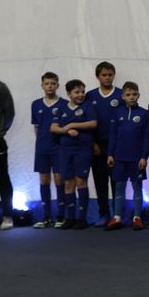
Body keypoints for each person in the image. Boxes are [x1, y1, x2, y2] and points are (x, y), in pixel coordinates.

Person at [48, 78, 94, 229]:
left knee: (81, 180)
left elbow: (93, 123)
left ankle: (82, 218)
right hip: (65, 150)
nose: (80, 95)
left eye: (82, 91)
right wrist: (66, 130)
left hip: (82, 149)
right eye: (76, 92)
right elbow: (53, 127)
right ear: (69, 93)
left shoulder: (88, 106)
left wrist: (73, 125)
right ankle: (70, 217)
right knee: (68, 182)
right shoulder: (61, 108)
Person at [105, 82, 149, 231]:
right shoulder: (117, 113)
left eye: (134, 94)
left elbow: (146, 138)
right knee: (119, 186)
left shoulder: (144, 114)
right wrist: (110, 154)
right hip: (119, 157)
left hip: (136, 158)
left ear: (138, 95)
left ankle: (137, 218)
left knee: (137, 186)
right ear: (123, 96)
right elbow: (112, 135)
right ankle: (117, 217)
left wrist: (144, 156)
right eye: (128, 95)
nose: (131, 97)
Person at [84, 61, 121, 227]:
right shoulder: (90, 96)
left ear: (114, 75)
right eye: (104, 75)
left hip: (116, 145)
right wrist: (92, 143)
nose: (107, 78)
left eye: (110, 74)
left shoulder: (120, 94)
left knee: (116, 180)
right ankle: (103, 213)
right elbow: (85, 120)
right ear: (97, 76)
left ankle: (118, 214)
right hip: (97, 145)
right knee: (100, 181)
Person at [30, 71, 64, 227]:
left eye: (53, 83)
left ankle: (61, 216)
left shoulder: (64, 104)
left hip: (58, 148)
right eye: (47, 84)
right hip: (42, 148)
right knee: (44, 180)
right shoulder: (36, 104)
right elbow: (37, 127)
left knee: (59, 179)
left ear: (57, 85)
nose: (50, 86)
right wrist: (41, 142)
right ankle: (47, 217)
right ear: (42, 85)